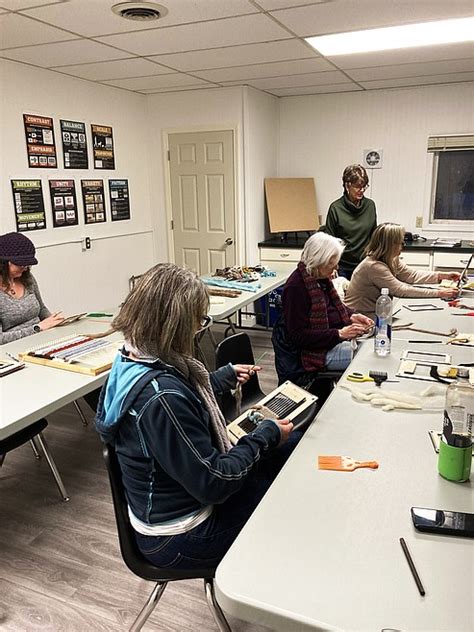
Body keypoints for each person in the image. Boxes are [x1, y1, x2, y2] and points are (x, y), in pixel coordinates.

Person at [95, 263, 299, 571]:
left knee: (287, 450)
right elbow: (214, 482)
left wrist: (219, 379)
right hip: (180, 536)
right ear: (175, 325)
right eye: (198, 320)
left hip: (174, 508)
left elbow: (184, 400)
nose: (199, 328)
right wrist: (263, 436)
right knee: (286, 497)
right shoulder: (162, 398)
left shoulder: (133, 357)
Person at [273, 233, 373, 391]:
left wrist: (352, 315)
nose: (336, 268)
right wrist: (340, 334)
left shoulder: (319, 278)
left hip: (327, 344)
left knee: (371, 348)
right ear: (317, 261)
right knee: (366, 358)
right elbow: (298, 336)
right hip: (309, 355)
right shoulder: (296, 288)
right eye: (331, 264)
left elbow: (334, 307)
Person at [345, 223, 460, 317]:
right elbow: (401, 290)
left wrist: (443, 276)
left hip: (376, 314)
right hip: (362, 317)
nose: (403, 245)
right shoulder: (373, 266)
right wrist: (440, 293)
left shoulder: (391, 259)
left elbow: (412, 275)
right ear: (390, 244)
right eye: (400, 242)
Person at [0, 232, 64, 344]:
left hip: (41, 338)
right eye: (21, 264)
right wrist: (37, 328)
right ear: (4, 263)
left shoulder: (27, 279)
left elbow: (41, 309)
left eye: (28, 265)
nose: (25, 268)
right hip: (14, 347)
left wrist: (54, 321)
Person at [322, 164, 377, 279]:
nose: (362, 190)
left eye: (364, 186)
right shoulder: (336, 208)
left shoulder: (370, 206)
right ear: (347, 185)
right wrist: (332, 266)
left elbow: (374, 237)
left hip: (364, 265)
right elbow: (329, 242)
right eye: (357, 186)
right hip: (341, 266)